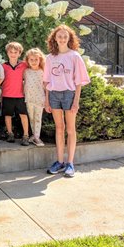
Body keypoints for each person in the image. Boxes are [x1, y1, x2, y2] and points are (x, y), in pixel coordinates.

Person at [44, 25, 90, 177]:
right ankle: (59, 161)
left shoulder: (74, 56)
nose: (62, 39)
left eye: (65, 36)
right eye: (59, 36)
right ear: (54, 39)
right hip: (54, 95)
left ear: (69, 38)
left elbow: (78, 82)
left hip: (69, 94)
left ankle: (70, 163)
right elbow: (46, 81)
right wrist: (46, 100)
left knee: (70, 129)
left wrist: (76, 101)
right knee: (59, 128)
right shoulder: (50, 58)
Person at [1, 42, 30, 145]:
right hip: (7, 94)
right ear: (7, 53)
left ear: (19, 53)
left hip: (20, 95)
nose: (13, 54)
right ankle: (10, 133)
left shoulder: (24, 65)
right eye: (11, 52)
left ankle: (26, 135)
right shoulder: (3, 66)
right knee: (7, 115)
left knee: (23, 114)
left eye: (15, 52)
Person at [24, 48, 46, 147]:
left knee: (38, 118)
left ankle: (37, 137)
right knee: (31, 117)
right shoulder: (26, 71)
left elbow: (46, 86)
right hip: (29, 98)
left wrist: (47, 99)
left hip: (39, 98)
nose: (33, 62)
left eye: (36, 59)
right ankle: (34, 135)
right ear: (28, 60)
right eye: (31, 60)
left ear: (40, 60)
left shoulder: (43, 72)